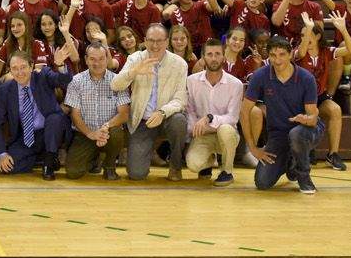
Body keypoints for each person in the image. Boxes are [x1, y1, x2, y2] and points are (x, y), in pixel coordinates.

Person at [241, 35, 321, 195]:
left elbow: (313, 119)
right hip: (278, 135)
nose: (277, 61)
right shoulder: (260, 76)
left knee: (296, 134)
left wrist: (304, 119)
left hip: (305, 130)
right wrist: (252, 148)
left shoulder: (306, 78)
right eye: (273, 55)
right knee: (262, 183)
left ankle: (303, 176)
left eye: (282, 55)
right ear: (268, 56)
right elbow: (244, 112)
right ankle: (291, 163)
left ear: (291, 54)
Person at [110, 23, 190, 181]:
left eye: (159, 41)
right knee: (136, 174)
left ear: (167, 42)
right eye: (151, 40)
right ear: (145, 41)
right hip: (142, 121)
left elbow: (180, 99)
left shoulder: (179, 64)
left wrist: (163, 112)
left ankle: (175, 166)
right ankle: (146, 151)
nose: (155, 45)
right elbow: (115, 85)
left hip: (166, 117)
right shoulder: (135, 59)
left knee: (179, 121)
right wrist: (133, 72)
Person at [0, 50, 71, 180]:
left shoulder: (43, 76)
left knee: (54, 118)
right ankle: (42, 158)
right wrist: (2, 153)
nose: (19, 72)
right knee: (8, 167)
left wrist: (60, 65)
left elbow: (63, 81)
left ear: (31, 66)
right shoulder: (5, 90)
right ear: (9, 70)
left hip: (51, 131)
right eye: (15, 68)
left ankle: (49, 163)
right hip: (28, 136)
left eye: (23, 67)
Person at [62, 42, 131, 180]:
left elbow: (124, 114)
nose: (97, 63)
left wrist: (105, 127)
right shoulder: (76, 81)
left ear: (107, 59)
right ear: (86, 60)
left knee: (117, 132)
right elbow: (75, 115)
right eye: (92, 59)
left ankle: (110, 166)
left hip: (109, 132)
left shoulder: (118, 81)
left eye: (101, 59)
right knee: (73, 172)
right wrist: (91, 134)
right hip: (85, 133)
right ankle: (94, 158)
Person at [185, 37, 244, 186]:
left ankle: (227, 171)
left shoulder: (235, 84)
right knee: (193, 165)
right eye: (209, 54)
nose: (214, 58)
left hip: (226, 134)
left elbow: (232, 118)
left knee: (225, 129)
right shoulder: (191, 81)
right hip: (202, 134)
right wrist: (195, 129)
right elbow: (190, 110)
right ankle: (209, 161)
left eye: (217, 54)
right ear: (203, 57)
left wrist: (210, 118)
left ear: (223, 56)